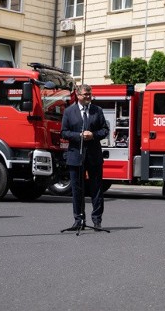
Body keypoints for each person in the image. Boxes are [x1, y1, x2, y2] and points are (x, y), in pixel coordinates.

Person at [61, 84, 108, 231]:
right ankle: (78, 220)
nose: (88, 96)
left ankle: (97, 220)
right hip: (76, 155)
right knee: (77, 190)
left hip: (94, 156)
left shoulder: (97, 111)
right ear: (78, 94)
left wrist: (93, 135)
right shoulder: (69, 112)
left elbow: (105, 130)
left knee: (96, 189)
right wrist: (79, 136)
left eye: (90, 94)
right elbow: (64, 132)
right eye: (85, 94)